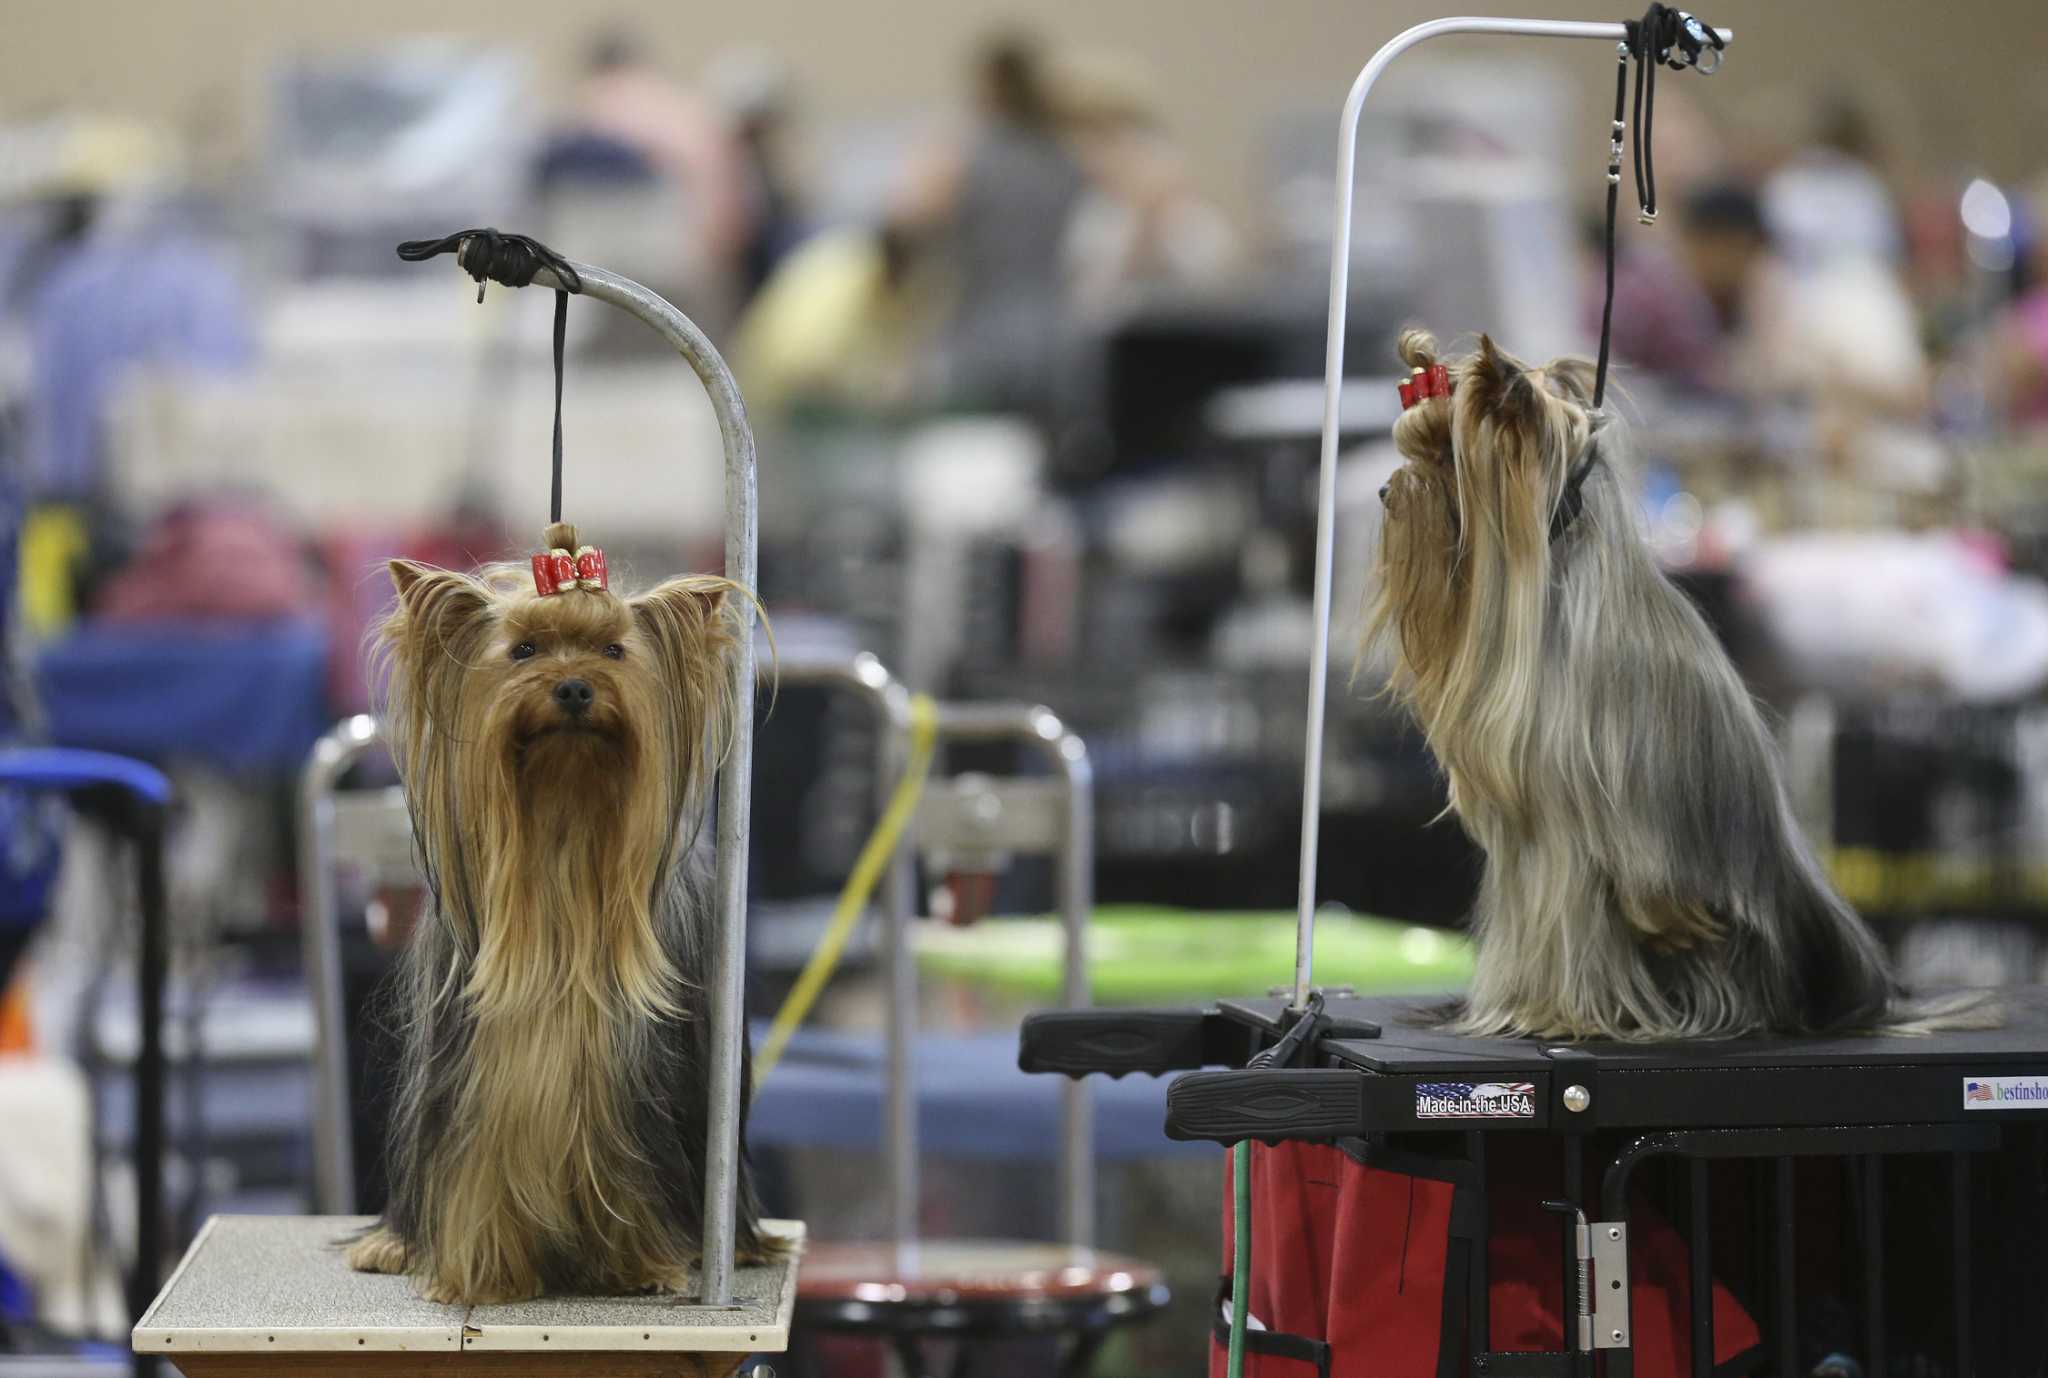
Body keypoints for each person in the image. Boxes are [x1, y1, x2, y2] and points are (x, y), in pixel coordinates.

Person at [894, 31, 1086, 415]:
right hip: (1054, 335)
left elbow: (911, 225)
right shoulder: (1064, 159)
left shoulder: (968, 157)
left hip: (981, 332)